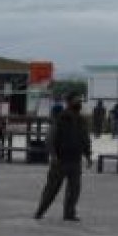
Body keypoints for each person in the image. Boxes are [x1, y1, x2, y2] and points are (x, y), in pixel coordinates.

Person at [35, 92, 92, 222]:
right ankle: (40, 211)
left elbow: (85, 139)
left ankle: (69, 213)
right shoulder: (60, 118)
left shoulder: (81, 120)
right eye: (76, 100)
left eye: (80, 101)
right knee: (52, 188)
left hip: (75, 160)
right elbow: (50, 139)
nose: (79, 103)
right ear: (68, 102)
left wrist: (88, 155)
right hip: (60, 160)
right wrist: (53, 155)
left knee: (74, 190)